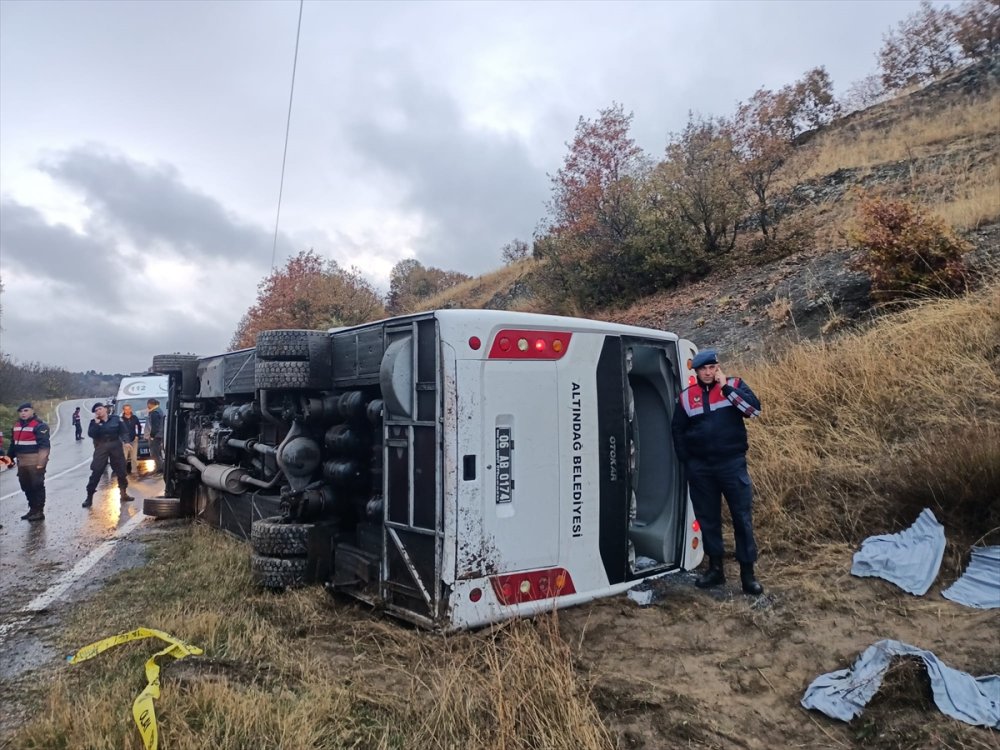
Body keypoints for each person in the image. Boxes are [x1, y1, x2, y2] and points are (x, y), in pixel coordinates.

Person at [671, 349, 764, 595]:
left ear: (718, 368)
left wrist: (727, 390)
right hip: (701, 469)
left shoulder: (734, 385)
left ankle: (748, 575)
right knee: (708, 520)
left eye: (712, 367)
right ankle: (715, 570)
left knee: (741, 519)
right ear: (696, 372)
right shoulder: (686, 398)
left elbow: (753, 411)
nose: (709, 372)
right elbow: (677, 431)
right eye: (704, 369)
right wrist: (687, 461)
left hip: (732, 464)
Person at [83, 403, 134, 508]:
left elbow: (123, 431)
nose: (98, 411)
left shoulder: (116, 419)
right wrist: (96, 424)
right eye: (96, 410)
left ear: (105, 409)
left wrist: (126, 441)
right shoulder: (94, 422)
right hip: (101, 447)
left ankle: (123, 493)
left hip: (115, 445)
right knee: (96, 471)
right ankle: (89, 497)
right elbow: (91, 434)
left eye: (100, 409)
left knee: (121, 470)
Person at [7, 403, 51, 522]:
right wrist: (9, 459)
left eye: (26, 410)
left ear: (32, 411)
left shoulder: (40, 426)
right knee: (26, 486)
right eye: (21, 411)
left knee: (37, 485)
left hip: (35, 461)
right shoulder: (16, 426)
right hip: (22, 462)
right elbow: (13, 444)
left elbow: (44, 447)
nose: (23, 413)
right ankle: (32, 509)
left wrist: (41, 464)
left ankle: (39, 511)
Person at [119, 404, 142, 475]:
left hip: (134, 440)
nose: (127, 411)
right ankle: (123, 472)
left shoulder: (134, 417)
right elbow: (119, 430)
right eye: (126, 409)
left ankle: (134, 471)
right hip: (125, 442)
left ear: (131, 409)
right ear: (123, 410)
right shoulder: (121, 419)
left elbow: (139, 427)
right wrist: (122, 440)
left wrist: (138, 435)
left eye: (129, 409)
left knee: (134, 457)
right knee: (124, 457)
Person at [146, 398, 164, 475]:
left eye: (148, 404)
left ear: (150, 404)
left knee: (155, 453)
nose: (147, 406)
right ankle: (160, 467)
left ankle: (160, 469)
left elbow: (155, 426)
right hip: (159, 435)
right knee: (158, 452)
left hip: (156, 436)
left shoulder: (154, 413)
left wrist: (152, 436)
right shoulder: (159, 410)